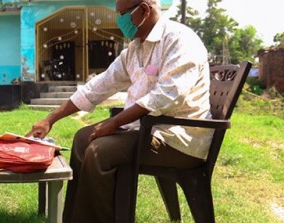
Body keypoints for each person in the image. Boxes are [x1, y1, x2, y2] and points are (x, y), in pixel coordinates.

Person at [26, 0, 214, 222]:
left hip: (177, 138)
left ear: (144, 9)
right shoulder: (135, 49)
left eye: (123, 15)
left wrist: (114, 123)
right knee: (82, 139)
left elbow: (167, 96)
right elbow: (99, 86)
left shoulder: (179, 40)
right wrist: (51, 118)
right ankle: (77, 218)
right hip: (144, 130)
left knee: (100, 152)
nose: (119, 21)